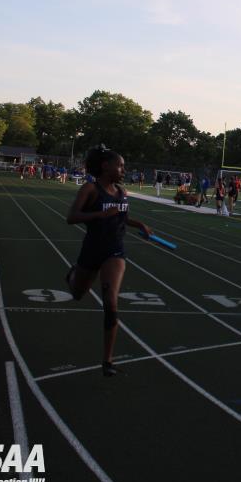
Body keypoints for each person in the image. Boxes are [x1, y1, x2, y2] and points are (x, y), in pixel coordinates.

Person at [65, 145, 153, 377]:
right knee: (77, 293)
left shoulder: (122, 192)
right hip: (92, 250)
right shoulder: (90, 189)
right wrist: (100, 215)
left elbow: (122, 217)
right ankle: (73, 275)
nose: (124, 170)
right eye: (120, 166)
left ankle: (107, 361)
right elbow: (71, 217)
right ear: (105, 166)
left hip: (115, 251)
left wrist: (140, 225)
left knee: (111, 303)